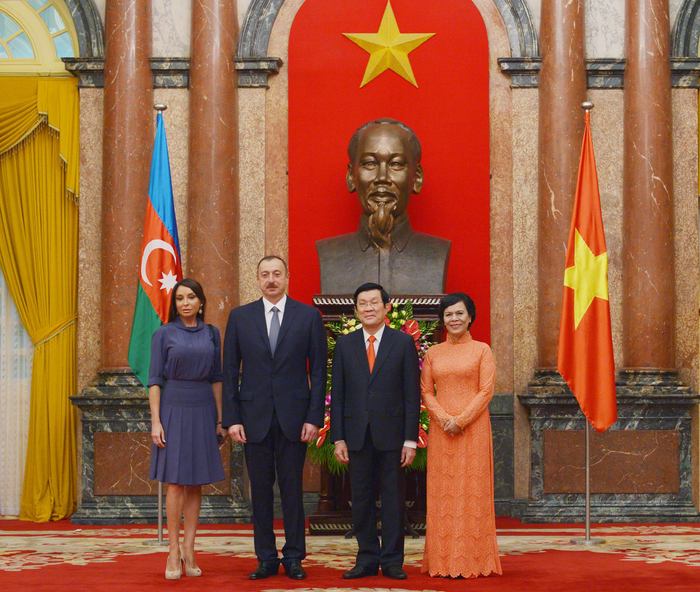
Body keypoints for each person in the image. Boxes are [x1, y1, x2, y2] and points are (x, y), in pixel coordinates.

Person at [223, 255, 327, 581]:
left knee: (293, 491)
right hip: (252, 418)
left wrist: (314, 417)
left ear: (287, 277)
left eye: (277, 274)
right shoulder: (240, 317)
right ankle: (266, 558)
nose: (271, 279)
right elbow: (229, 373)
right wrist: (232, 419)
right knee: (262, 492)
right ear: (257, 280)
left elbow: (320, 372)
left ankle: (294, 556)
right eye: (265, 274)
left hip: (295, 419)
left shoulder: (308, 316)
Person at [330, 282, 421, 580]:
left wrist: (411, 439)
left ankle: (393, 561)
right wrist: (338, 437)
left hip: (393, 435)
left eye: (374, 303)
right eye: (362, 304)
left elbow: (411, 395)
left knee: (394, 499)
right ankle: (367, 558)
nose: (368, 308)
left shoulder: (403, 343)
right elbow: (338, 394)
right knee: (362, 499)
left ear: (386, 307)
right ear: (356, 310)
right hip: (356, 435)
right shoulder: (344, 344)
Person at [149, 278, 227, 580]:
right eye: (180, 298)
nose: (185, 303)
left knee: (197, 482)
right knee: (175, 483)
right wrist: (156, 421)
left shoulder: (212, 333)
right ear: (174, 304)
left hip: (204, 407)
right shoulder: (163, 333)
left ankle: (190, 550)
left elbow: (217, 377)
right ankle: (172, 552)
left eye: (191, 297)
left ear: (201, 302)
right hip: (173, 408)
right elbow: (155, 379)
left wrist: (220, 419)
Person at [316, 118, 450, 294]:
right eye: (370, 163)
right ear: (351, 177)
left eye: (396, 164)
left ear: (416, 178)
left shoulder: (437, 253)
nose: (382, 177)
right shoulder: (330, 254)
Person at [420, 292, 502, 578]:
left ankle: (474, 561)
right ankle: (443, 561)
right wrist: (444, 420)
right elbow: (426, 392)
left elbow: (486, 391)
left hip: (474, 429)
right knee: (443, 494)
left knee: (472, 492)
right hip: (443, 431)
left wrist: (462, 420)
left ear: (470, 317)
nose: (454, 319)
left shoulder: (482, 350)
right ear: (442, 320)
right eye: (448, 314)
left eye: (459, 313)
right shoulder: (433, 353)